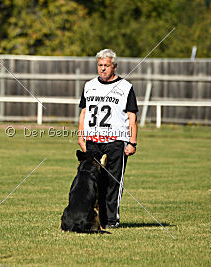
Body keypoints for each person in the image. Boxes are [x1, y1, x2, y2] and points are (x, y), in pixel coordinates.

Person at [78, 48, 138, 229]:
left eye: (106, 65)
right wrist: (81, 135)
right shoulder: (89, 86)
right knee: (90, 181)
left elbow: (132, 117)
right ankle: (90, 218)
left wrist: (132, 141)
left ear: (115, 66)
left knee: (113, 181)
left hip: (116, 141)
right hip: (93, 140)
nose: (102, 68)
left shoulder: (126, 88)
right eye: (100, 65)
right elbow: (84, 112)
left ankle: (111, 220)